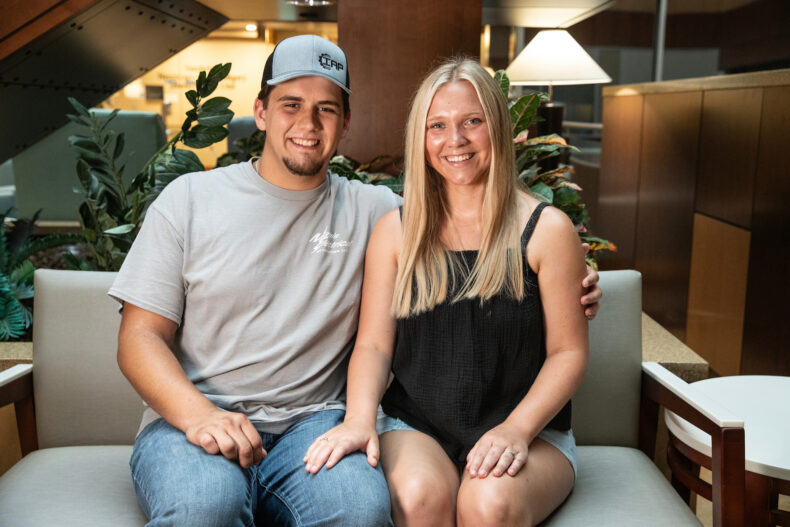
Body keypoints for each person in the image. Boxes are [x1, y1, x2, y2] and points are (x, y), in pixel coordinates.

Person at [111, 35, 600, 526]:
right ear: (260, 111)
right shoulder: (189, 199)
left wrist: (573, 278)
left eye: (326, 109)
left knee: (362, 511)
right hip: (197, 418)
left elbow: (475, 237)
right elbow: (139, 338)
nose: (308, 123)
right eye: (290, 105)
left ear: (346, 123)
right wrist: (199, 417)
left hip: (315, 422)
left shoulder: (377, 212)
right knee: (203, 508)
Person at [304, 57, 589, 527]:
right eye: (437, 125)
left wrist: (516, 430)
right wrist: (358, 420)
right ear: (421, 138)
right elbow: (374, 345)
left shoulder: (547, 229)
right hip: (417, 425)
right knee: (418, 498)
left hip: (531, 432)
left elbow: (568, 353)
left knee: (487, 504)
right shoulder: (396, 231)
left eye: (471, 122)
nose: (454, 140)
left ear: (496, 127)